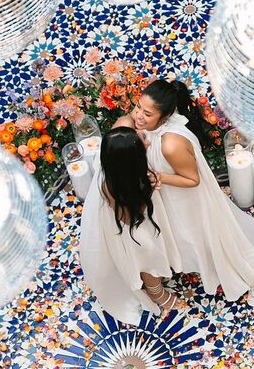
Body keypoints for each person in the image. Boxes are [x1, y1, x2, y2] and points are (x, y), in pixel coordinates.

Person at [114, 79, 254, 300]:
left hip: (182, 195)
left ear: (164, 117)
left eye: (147, 114)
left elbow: (192, 180)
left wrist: (157, 176)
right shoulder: (147, 127)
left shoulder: (170, 144)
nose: (138, 116)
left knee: (190, 233)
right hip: (165, 194)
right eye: (137, 107)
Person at [79, 128, 185, 325]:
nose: (147, 142)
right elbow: (129, 220)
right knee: (149, 255)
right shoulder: (110, 187)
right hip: (134, 227)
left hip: (140, 214)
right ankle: (155, 291)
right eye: (141, 142)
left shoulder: (119, 168)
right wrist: (150, 188)